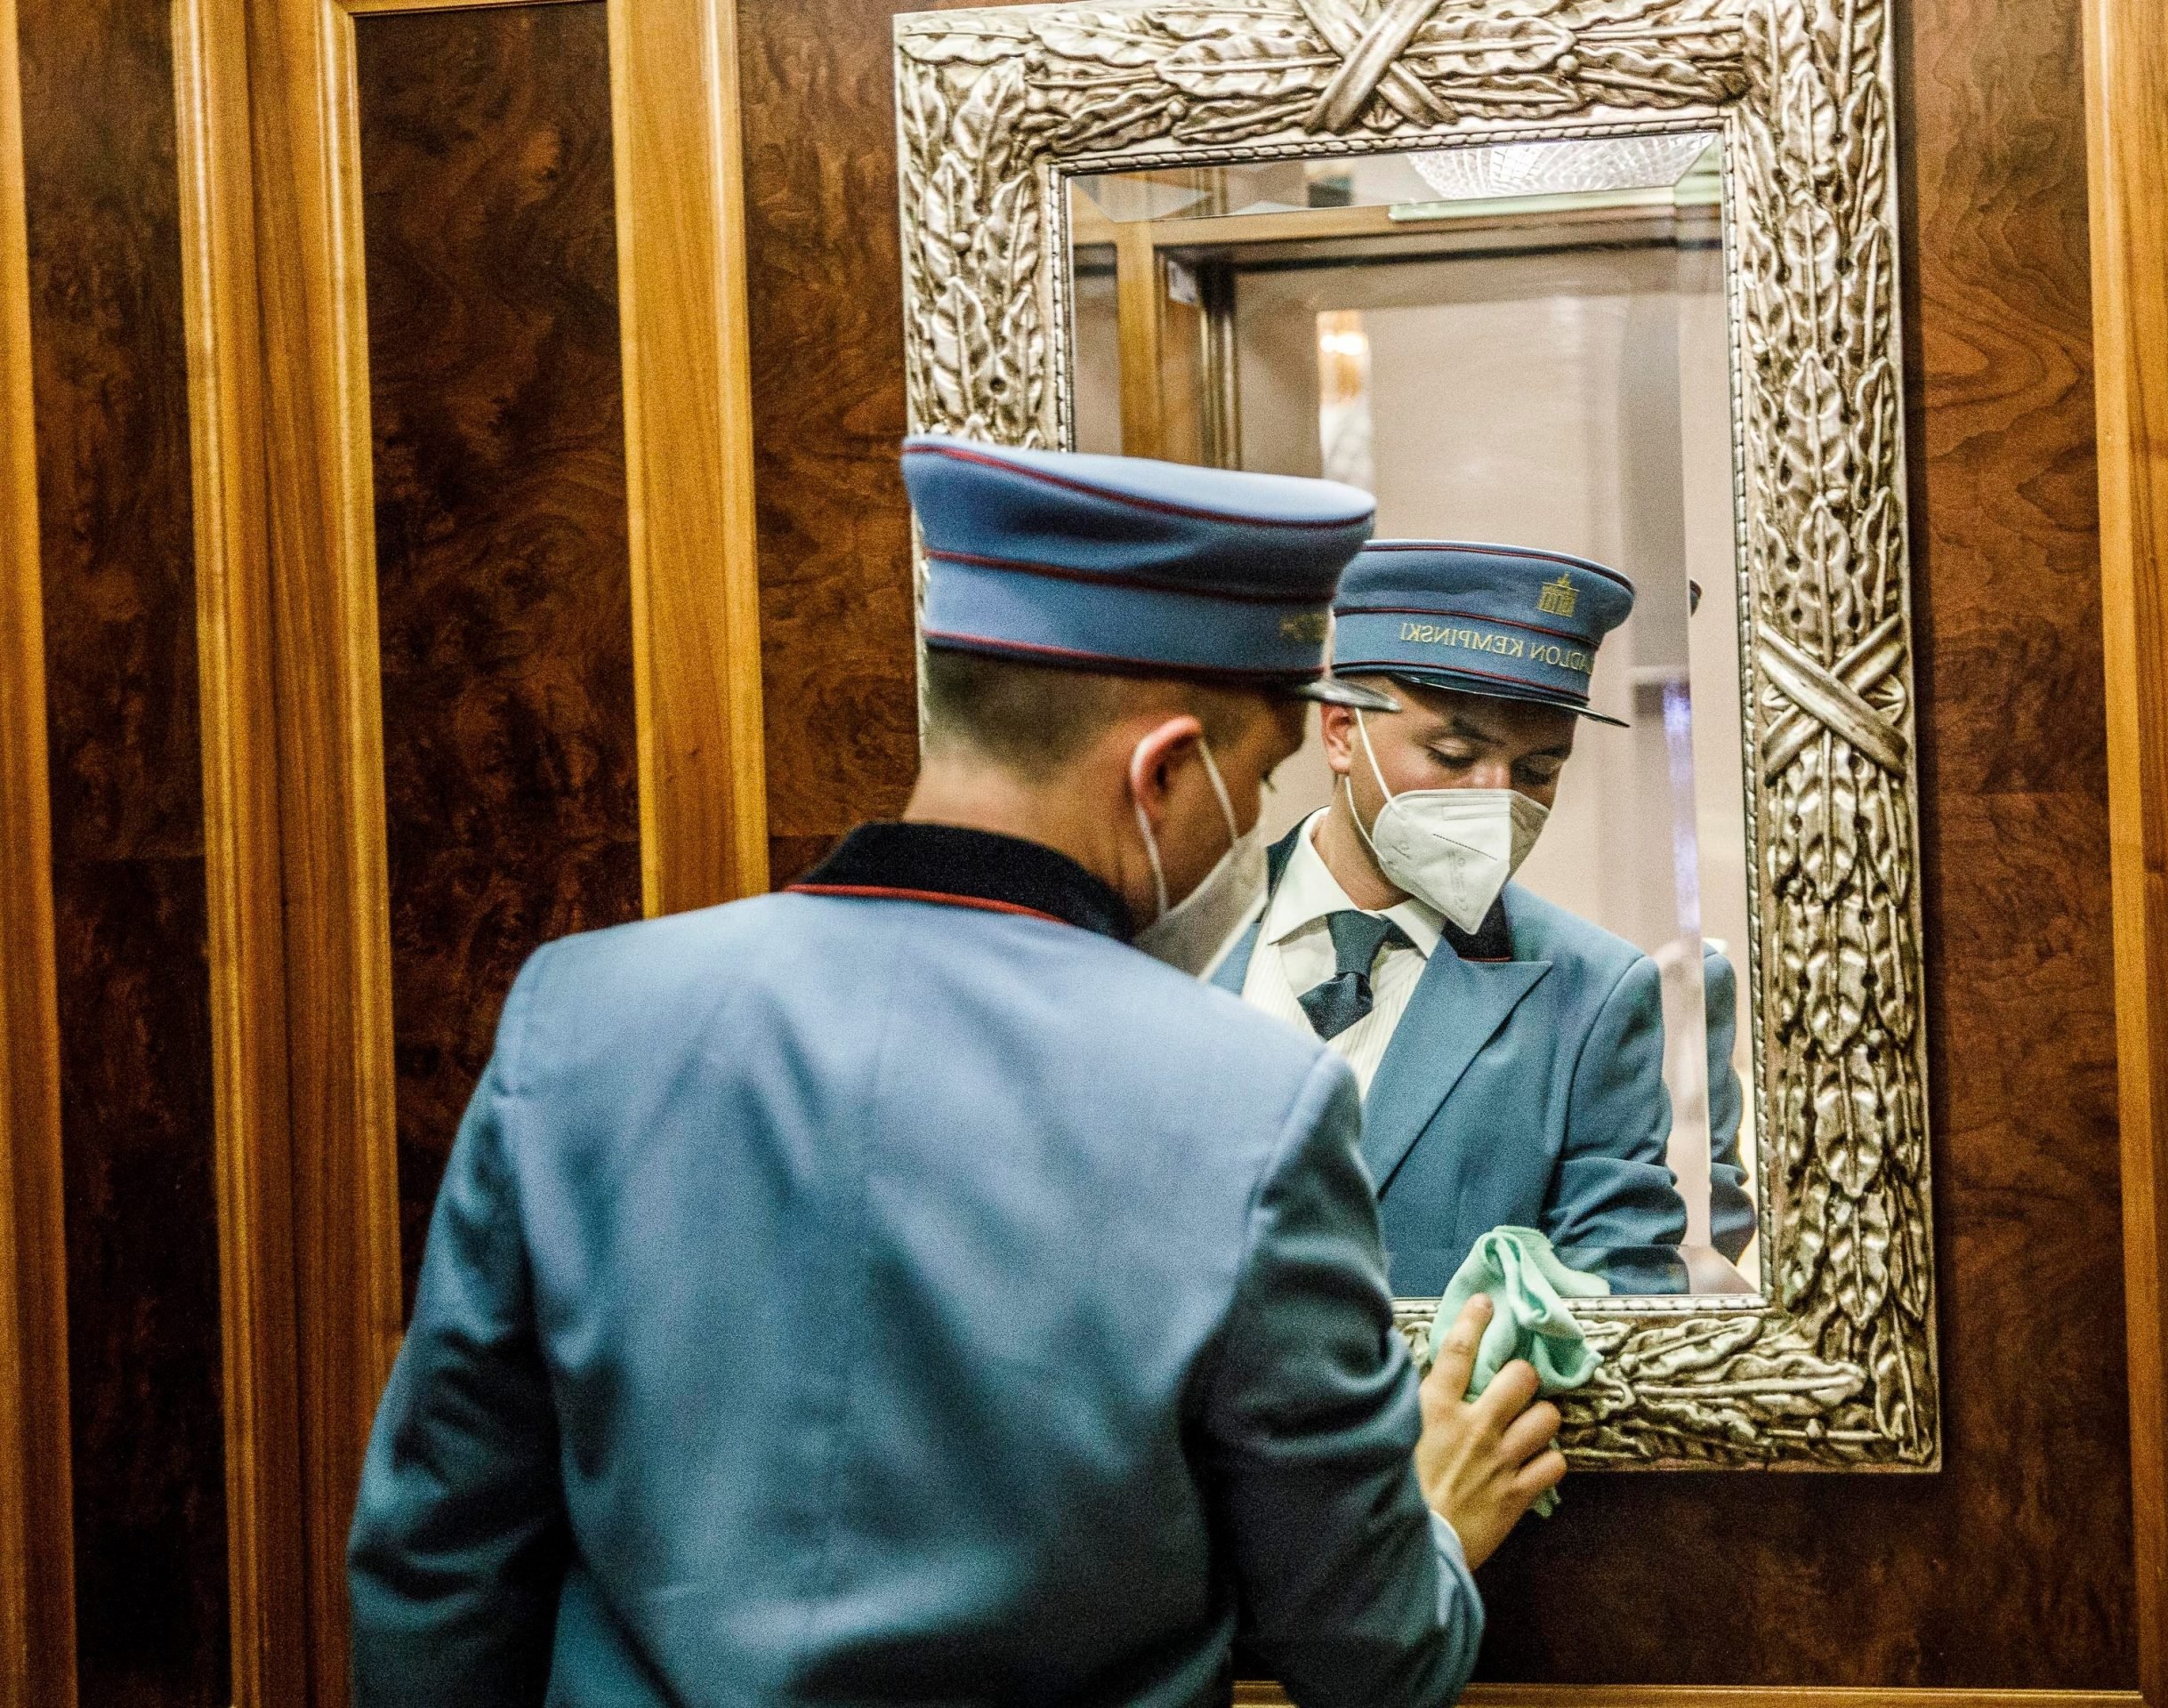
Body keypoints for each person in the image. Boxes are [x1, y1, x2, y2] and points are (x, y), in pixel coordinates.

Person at [347, 438, 1568, 1708]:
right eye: (1254, 785)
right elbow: (1367, 1654)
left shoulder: (582, 1019)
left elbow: (438, 1567)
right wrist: (1430, 1528)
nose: (1253, 830)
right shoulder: (1250, 1112)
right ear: (1162, 774)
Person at [1213, 539, 1751, 1297]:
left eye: (1538, 770)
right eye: (1455, 753)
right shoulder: (1182, 938)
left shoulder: (1592, 997)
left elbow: (1626, 1295)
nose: (1497, 800)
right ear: (1341, 730)